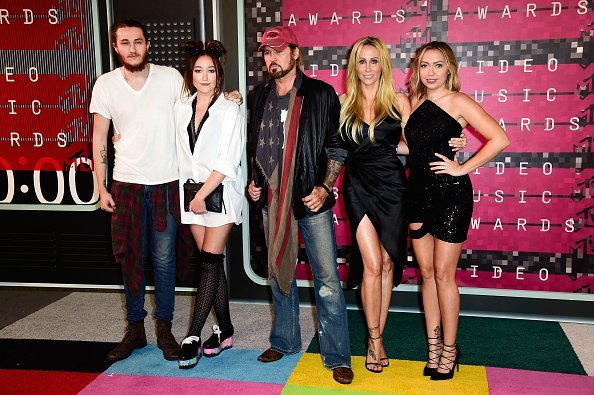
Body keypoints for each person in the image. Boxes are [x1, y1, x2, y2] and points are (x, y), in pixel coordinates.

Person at [338, 36, 466, 374]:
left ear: (383, 64)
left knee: (387, 264)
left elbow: (416, 146)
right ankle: (375, 340)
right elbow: (327, 145)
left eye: (373, 61)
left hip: (394, 188)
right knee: (371, 264)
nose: (367, 68)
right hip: (356, 186)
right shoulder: (341, 102)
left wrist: (456, 138)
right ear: (354, 66)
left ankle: (381, 337)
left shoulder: (399, 101)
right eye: (361, 61)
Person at [247, 26, 353, 385]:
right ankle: (285, 340)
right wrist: (255, 182)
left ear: (294, 52)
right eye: (266, 53)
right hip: (272, 200)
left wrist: (325, 187)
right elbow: (257, 148)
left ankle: (337, 355)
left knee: (326, 280)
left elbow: (337, 146)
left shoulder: (321, 94)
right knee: (280, 270)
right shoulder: (259, 95)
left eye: (278, 51)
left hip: (311, 200)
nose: (271, 59)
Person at [405, 41, 509, 380]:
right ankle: (433, 349)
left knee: (444, 274)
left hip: (451, 195)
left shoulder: (459, 101)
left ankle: (450, 349)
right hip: (417, 193)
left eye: (437, 65)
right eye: (424, 65)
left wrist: (463, 168)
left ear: (449, 68)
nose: (430, 72)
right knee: (427, 274)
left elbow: (499, 138)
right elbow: (412, 146)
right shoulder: (415, 101)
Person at [90, 19, 186, 362]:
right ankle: (135, 329)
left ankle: (164, 329)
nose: (133, 48)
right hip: (126, 183)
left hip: (166, 183)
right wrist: (101, 187)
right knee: (129, 259)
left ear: (148, 44)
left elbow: (193, 116)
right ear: (116, 47)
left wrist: (228, 98)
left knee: (164, 261)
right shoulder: (105, 85)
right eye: (125, 42)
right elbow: (99, 137)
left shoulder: (171, 78)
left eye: (138, 41)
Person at [174, 40, 245, 369]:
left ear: (219, 75)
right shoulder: (180, 107)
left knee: (209, 261)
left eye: (211, 71)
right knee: (211, 266)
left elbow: (229, 160)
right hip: (190, 196)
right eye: (198, 71)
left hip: (219, 194)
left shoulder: (231, 109)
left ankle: (192, 336)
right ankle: (226, 330)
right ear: (190, 75)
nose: (204, 76)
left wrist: (203, 194)